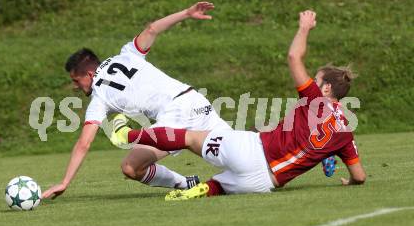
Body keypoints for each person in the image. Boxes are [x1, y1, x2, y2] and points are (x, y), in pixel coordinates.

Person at [110, 10, 366, 200]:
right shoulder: (346, 131)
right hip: (265, 182)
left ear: (327, 88)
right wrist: (350, 181)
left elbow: (293, 56)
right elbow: (360, 176)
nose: (313, 80)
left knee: (188, 138)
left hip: (252, 152)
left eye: (317, 78)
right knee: (221, 184)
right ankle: (203, 189)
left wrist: (304, 28)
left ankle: (126, 134)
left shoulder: (316, 101)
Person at [42, 2, 230, 199]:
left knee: (130, 167)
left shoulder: (99, 96)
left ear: (89, 74)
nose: (76, 86)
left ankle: (186, 183)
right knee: (244, 150)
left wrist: (64, 182)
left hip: (175, 117)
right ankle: (264, 166)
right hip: (194, 99)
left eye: (76, 80)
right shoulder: (128, 53)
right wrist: (186, 13)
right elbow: (152, 29)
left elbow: (84, 143)